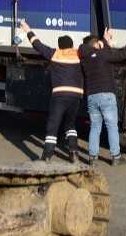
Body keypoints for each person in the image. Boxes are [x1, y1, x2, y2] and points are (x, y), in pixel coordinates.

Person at [21, 20, 84, 162]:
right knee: (70, 124)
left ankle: (47, 155)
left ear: (60, 46)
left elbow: (38, 45)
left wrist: (28, 30)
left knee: (53, 124)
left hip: (60, 95)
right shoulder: (78, 55)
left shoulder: (55, 54)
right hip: (75, 96)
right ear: (71, 45)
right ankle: (73, 153)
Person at [79, 28, 126, 166]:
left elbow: (98, 52)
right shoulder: (102, 55)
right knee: (112, 126)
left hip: (91, 97)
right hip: (106, 95)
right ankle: (116, 157)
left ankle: (92, 158)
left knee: (95, 127)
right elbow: (122, 55)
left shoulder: (84, 59)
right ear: (96, 45)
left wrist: (104, 40)